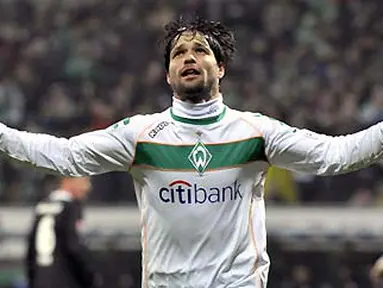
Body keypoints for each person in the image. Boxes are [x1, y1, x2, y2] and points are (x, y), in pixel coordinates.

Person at [2, 16, 383, 287]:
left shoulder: (255, 132)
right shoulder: (142, 134)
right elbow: (65, 155)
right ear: (168, 74)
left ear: (221, 67)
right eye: (179, 53)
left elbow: (338, 155)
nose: (188, 57)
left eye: (200, 50)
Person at [25, 176, 100, 288]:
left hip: (40, 281)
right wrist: (90, 278)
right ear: (68, 180)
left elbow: (30, 252)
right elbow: (75, 248)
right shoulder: (71, 208)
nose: (88, 187)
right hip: (65, 281)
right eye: (85, 181)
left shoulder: (42, 207)